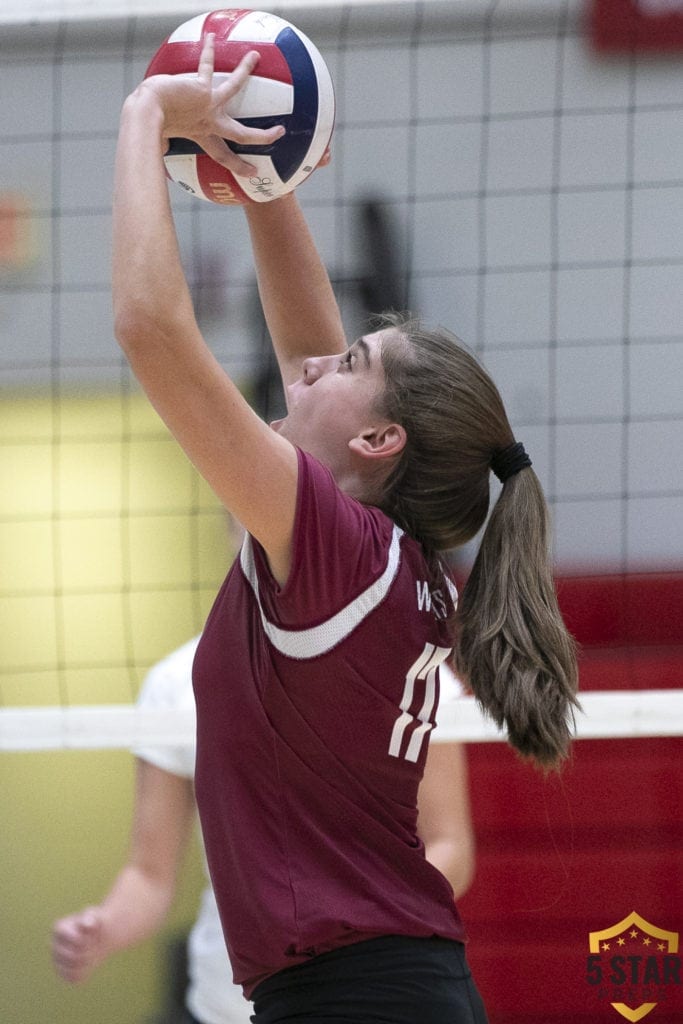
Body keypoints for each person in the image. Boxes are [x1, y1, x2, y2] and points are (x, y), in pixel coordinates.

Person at [112, 37, 578, 1023]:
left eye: (352, 359)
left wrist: (148, 113)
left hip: (355, 999)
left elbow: (153, 331)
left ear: (377, 436)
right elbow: (311, 355)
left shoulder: (336, 546)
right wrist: (261, 169)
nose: (312, 368)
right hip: (381, 991)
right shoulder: (383, 551)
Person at [51, 638, 475, 1024]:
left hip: (365, 993)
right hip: (225, 1004)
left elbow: (449, 846)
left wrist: (353, 914)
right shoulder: (177, 682)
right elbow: (149, 875)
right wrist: (105, 926)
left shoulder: (409, 668)